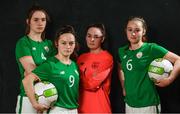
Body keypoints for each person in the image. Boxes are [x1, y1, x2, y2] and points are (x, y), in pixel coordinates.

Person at [118, 16, 180, 113]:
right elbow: (121, 68)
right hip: (129, 103)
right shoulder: (122, 51)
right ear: (126, 31)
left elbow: (178, 60)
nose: (133, 33)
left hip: (148, 104)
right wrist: (123, 86)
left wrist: (169, 79)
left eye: (137, 30)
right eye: (130, 30)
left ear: (144, 31)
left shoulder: (151, 48)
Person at [22, 25, 79, 113]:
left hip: (74, 109)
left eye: (71, 43)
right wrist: (35, 104)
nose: (68, 47)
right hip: (57, 109)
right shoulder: (50, 64)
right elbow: (26, 81)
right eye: (64, 43)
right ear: (57, 43)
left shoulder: (74, 65)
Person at [15, 5, 56, 113]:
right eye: (36, 20)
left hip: (49, 96)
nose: (40, 23)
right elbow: (32, 71)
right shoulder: (23, 43)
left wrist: (39, 71)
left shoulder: (50, 44)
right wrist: (50, 70)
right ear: (28, 21)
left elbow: (58, 68)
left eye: (43, 20)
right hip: (28, 97)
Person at [77, 23, 113, 113]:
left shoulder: (107, 58)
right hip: (81, 108)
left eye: (96, 37)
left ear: (102, 39)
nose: (92, 39)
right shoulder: (81, 58)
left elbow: (92, 84)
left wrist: (79, 77)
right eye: (89, 36)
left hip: (99, 108)